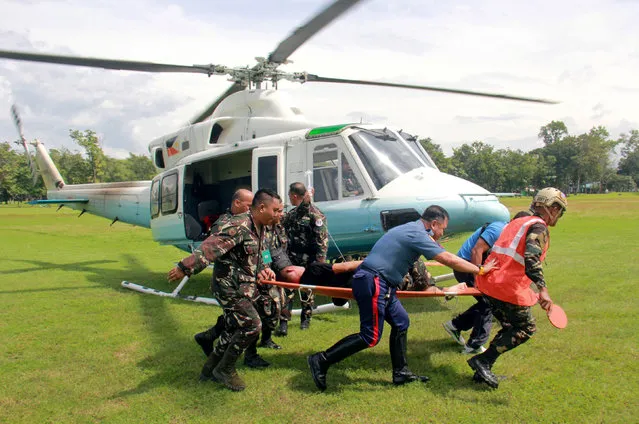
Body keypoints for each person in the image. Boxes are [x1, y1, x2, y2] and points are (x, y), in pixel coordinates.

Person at [307, 205, 497, 391]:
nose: (442, 234)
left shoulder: (411, 228)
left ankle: (401, 372)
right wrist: (479, 270)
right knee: (370, 337)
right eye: (442, 229)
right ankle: (321, 360)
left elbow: (442, 252)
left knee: (401, 322)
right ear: (433, 224)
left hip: (383, 283)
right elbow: (448, 259)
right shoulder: (417, 234)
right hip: (374, 282)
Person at [167, 189, 281, 392]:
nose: (278, 214)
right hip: (228, 287)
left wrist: (266, 269)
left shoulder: (262, 226)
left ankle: (209, 370)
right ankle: (225, 370)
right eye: (276, 210)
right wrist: (185, 267)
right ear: (262, 207)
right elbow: (211, 247)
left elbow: (262, 251)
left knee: (231, 330)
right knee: (252, 325)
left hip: (245, 287)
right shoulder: (239, 225)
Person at [468, 188, 567, 389]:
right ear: (553, 208)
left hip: (490, 283)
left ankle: (482, 370)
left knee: (509, 327)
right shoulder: (539, 227)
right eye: (560, 210)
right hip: (506, 287)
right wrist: (543, 290)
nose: (559, 215)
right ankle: (483, 361)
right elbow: (530, 258)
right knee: (525, 328)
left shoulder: (518, 222)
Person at [192, 189, 253, 357]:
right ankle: (219, 361)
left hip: (244, 281)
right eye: (248, 205)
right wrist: (186, 267)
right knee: (241, 320)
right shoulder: (224, 224)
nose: (250, 209)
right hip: (228, 281)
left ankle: (208, 338)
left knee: (236, 318)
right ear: (237, 203)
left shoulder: (249, 222)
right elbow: (211, 249)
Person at [280, 182, 328, 331]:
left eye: (289, 196)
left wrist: (319, 265)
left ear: (294, 195)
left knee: (307, 290)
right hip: (292, 257)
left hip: (309, 260)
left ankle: (305, 321)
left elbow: (322, 242)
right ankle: (283, 322)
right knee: (287, 289)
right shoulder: (293, 214)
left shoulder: (316, 215)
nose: (289, 199)